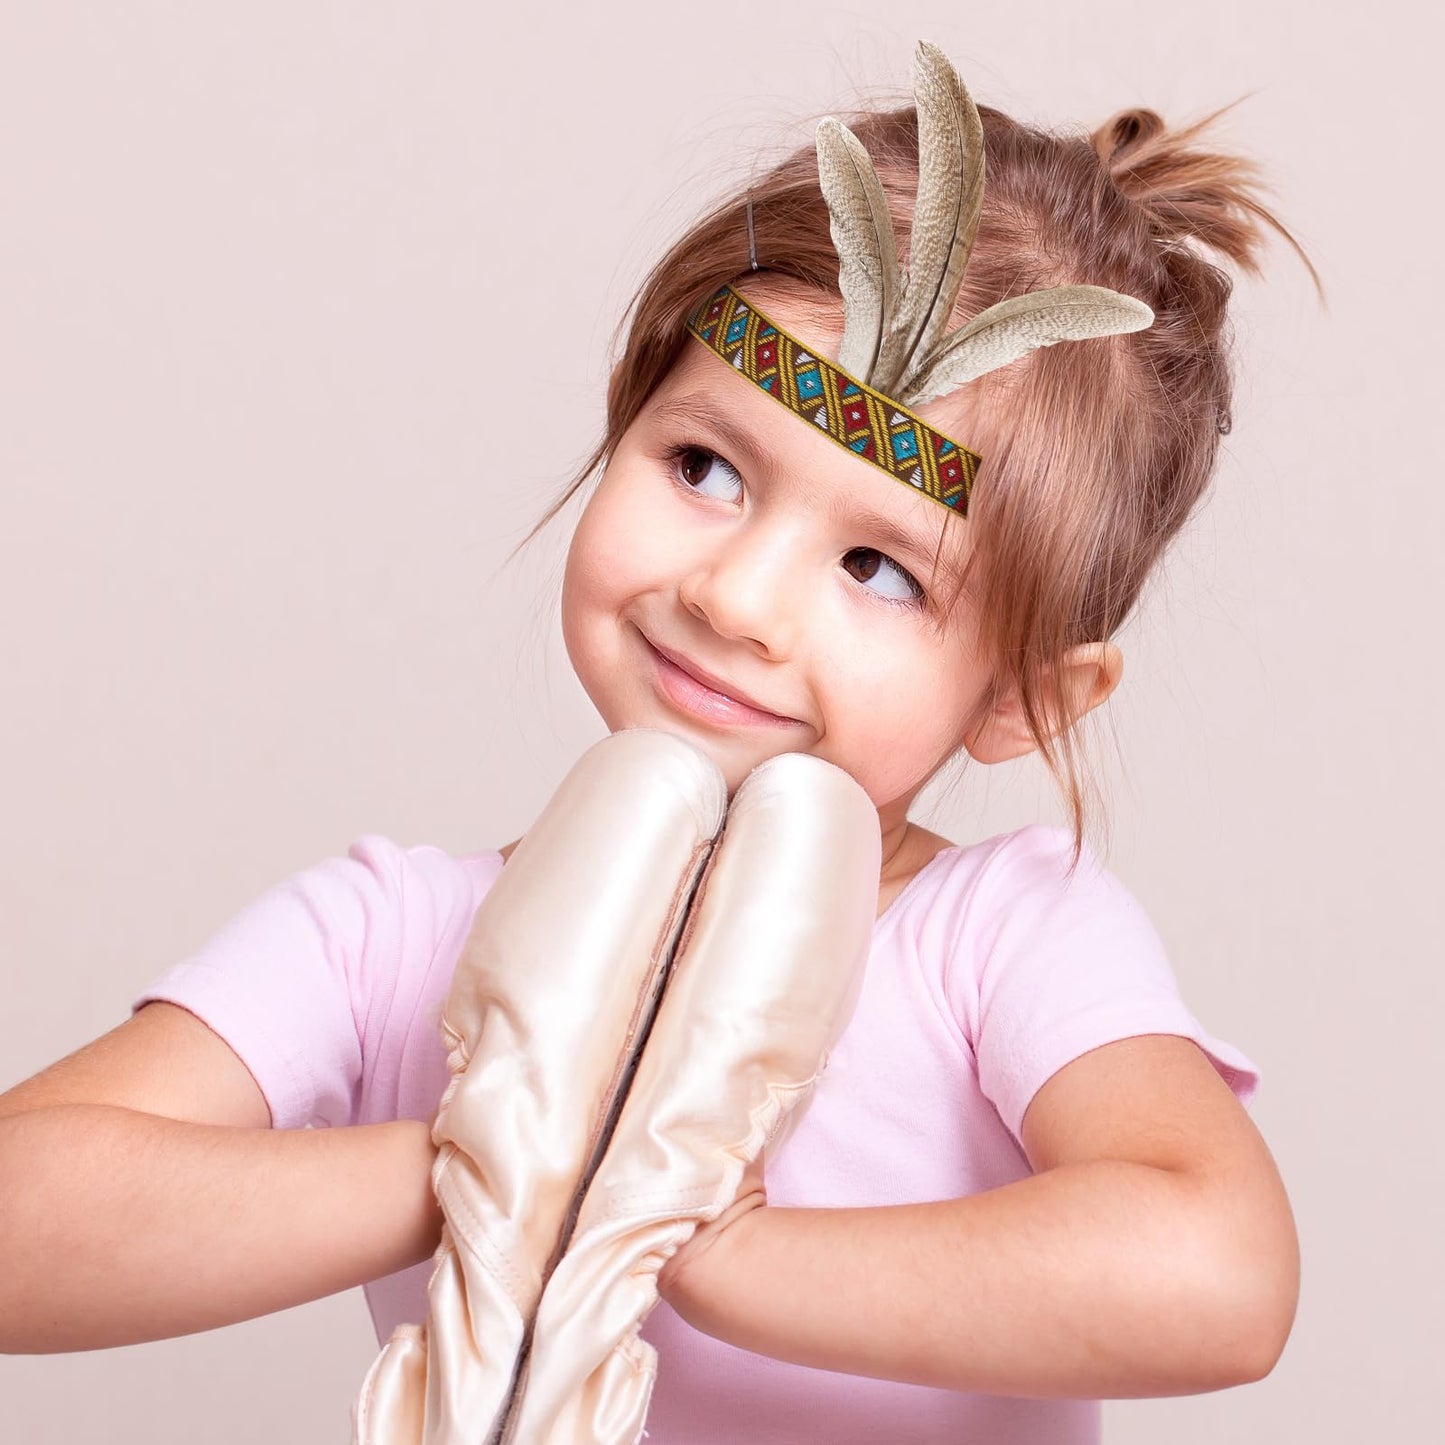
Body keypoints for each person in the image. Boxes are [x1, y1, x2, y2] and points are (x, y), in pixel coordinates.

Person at [0, 40, 1303, 1445]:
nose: (732, 596)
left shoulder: (1002, 941)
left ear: (1024, 698)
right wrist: (488, 1157)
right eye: (705, 468)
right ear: (625, 414)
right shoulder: (394, 935)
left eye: (879, 568)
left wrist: (701, 1236)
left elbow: (1219, 1277)